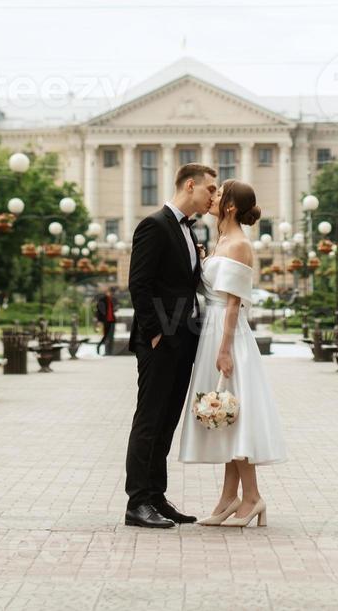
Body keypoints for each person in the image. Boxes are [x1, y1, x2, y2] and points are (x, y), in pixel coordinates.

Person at [179, 179, 286, 528]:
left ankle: (252, 497)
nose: (212, 198)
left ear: (228, 207)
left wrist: (224, 350)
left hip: (228, 335)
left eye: (218, 194)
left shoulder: (238, 244)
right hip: (212, 330)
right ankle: (229, 497)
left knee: (233, 413)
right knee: (224, 414)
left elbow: (234, 304)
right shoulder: (221, 241)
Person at [123, 163, 218, 530]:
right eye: (210, 189)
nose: (213, 196)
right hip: (160, 341)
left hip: (184, 341)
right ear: (190, 185)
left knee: (167, 422)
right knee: (149, 420)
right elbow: (139, 284)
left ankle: (156, 496)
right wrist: (154, 332)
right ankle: (137, 502)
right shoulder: (154, 225)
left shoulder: (189, 232)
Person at [94, 284, 117, 356]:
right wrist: (99, 321)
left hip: (112, 321)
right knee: (106, 337)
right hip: (106, 321)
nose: (111, 294)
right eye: (110, 292)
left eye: (112, 293)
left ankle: (110, 352)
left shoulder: (112, 300)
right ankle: (101, 348)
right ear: (107, 292)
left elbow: (113, 309)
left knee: (111, 337)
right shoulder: (102, 300)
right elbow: (99, 311)